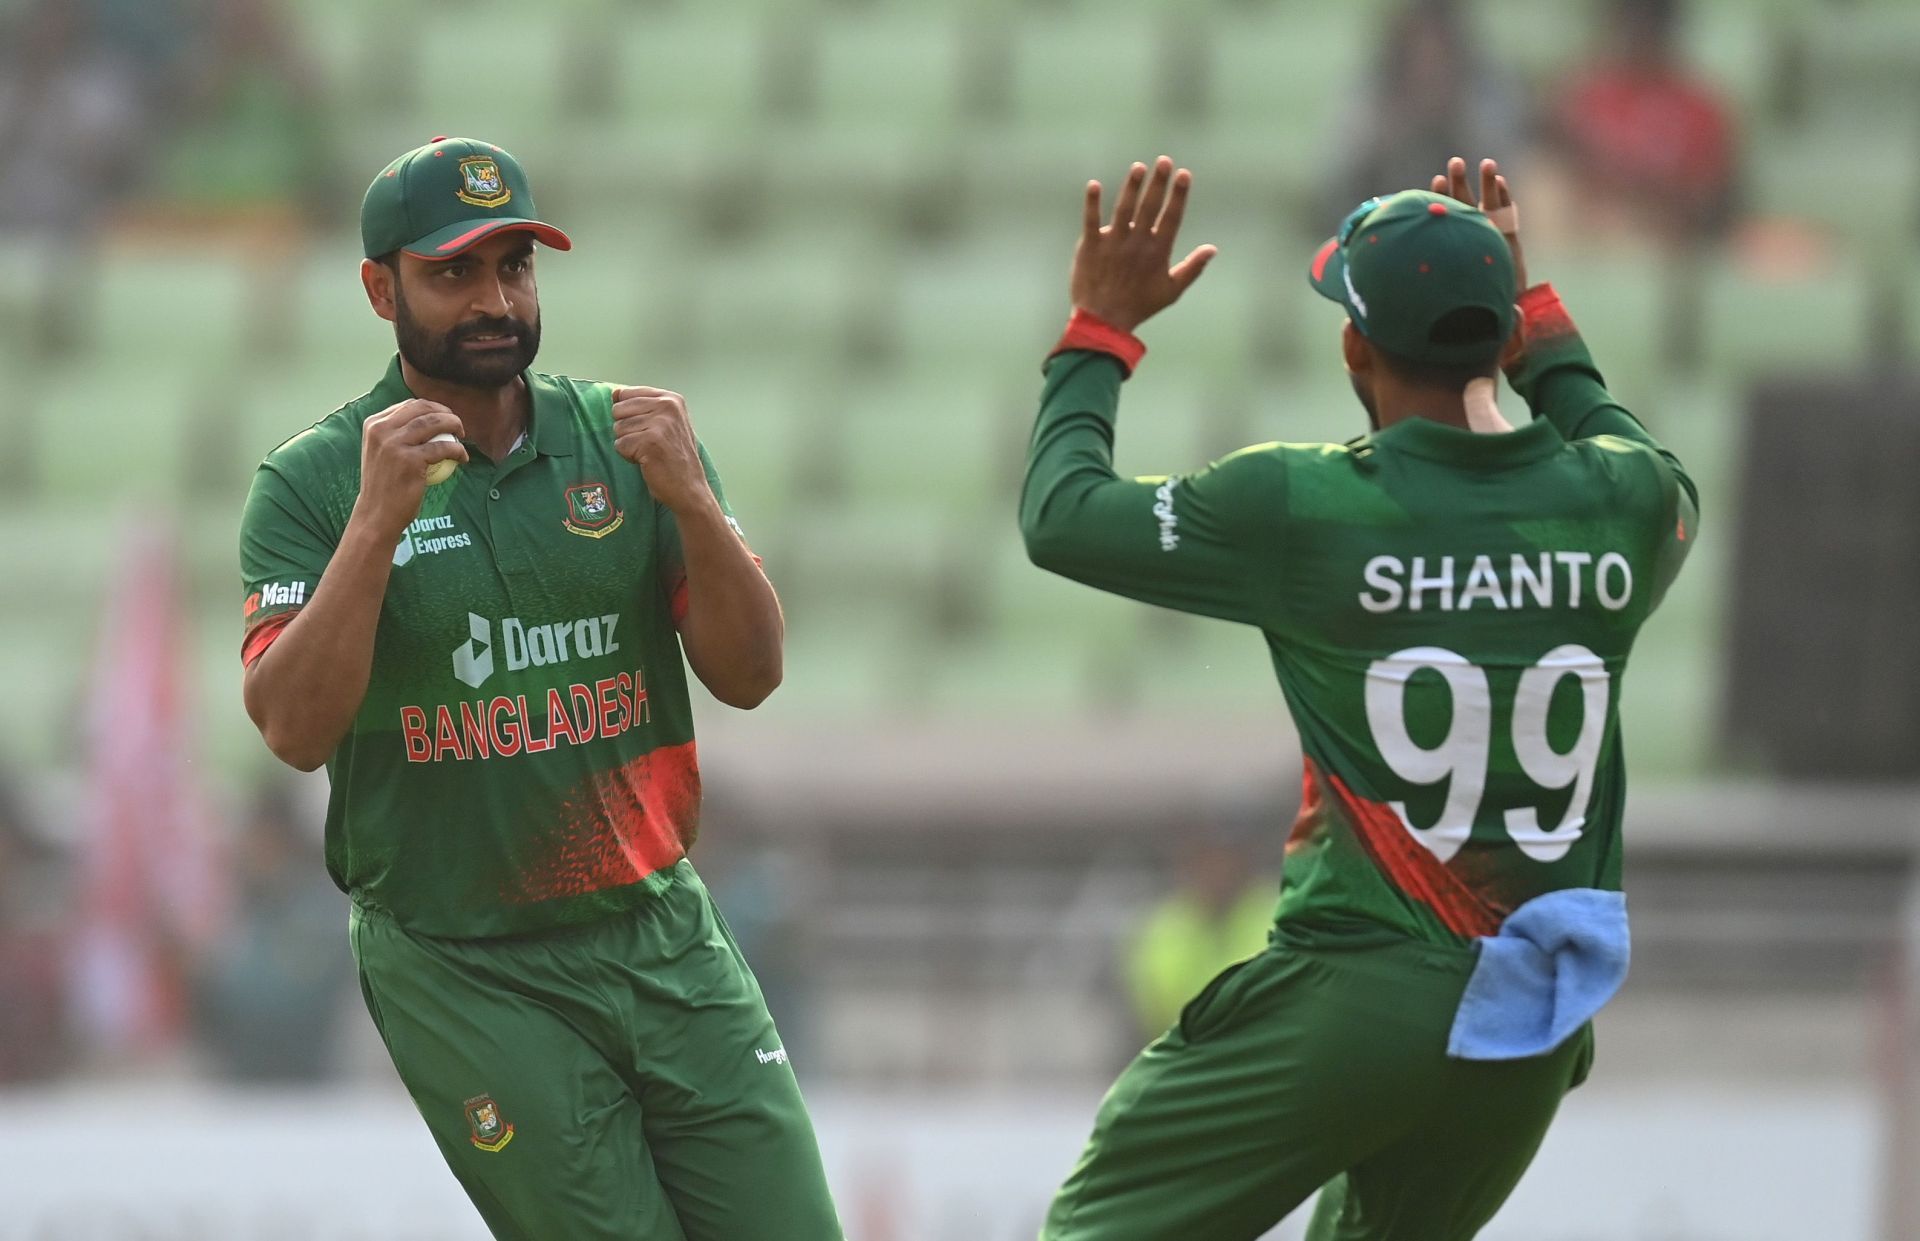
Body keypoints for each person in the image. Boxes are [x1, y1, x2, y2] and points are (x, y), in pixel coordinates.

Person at [1020, 155, 1697, 1240]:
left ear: (1354, 346)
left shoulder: (1309, 504)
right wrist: (1537, 316)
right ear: (1500, 340)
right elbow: (1614, 430)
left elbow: (1061, 514)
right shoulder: (1630, 504)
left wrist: (1100, 329)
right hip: (1531, 1023)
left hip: (1356, 995)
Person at [237, 137, 843, 1241]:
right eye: (454, 272)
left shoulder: (625, 439)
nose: (493, 299)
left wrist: (695, 501)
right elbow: (290, 725)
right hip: (468, 962)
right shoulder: (316, 480)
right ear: (382, 288)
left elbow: (752, 673)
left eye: (514, 266)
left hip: (660, 926)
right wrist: (377, 520)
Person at [1547, 0, 1738, 242]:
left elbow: (1710, 200)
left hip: (1662, 234)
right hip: (1586, 222)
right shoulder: (1582, 96)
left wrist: (1640, 195)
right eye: (1632, 20)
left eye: (1648, 21)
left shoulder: (1700, 109)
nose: (1638, 32)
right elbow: (1561, 167)